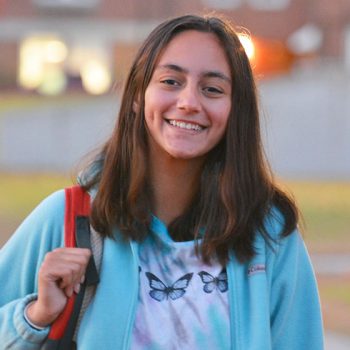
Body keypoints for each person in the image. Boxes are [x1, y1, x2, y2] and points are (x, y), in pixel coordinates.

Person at [0, 14, 324, 349]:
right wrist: (34, 318)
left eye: (212, 89)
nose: (188, 103)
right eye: (171, 81)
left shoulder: (270, 233)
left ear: (235, 110)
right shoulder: (69, 219)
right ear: (138, 95)